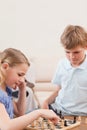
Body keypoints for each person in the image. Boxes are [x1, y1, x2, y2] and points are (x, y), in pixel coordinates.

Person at [0, 48, 59, 130]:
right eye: (20, 74)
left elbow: (20, 113)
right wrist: (39, 112)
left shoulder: (6, 90)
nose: (22, 79)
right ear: (5, 67)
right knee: (35, 111)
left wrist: (22, 89)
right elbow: (6, 127)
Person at [42, 25, 87, 129]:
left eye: (76, 52)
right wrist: (45, 101)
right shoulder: (62, 64)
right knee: (28, 117)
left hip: (81, 115)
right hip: (58, 110)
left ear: (85, 47)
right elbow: (59, 90)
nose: (71, 56)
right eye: (67, 52)